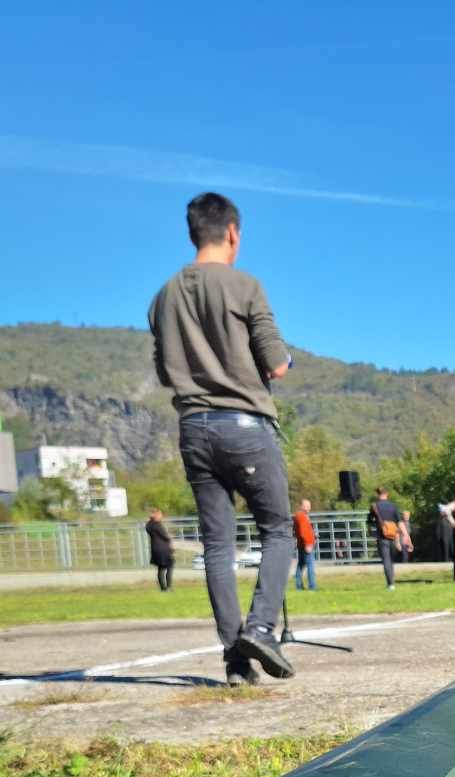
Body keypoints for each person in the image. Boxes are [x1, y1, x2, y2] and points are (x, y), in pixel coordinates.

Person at [149, 190, 295, 684]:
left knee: (218, 545)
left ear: (194, 232)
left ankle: (235, 661)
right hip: (245, 424)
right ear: (233, 232)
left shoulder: (164, 297)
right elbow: (275, 363)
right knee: (278, 530)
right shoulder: (244, 285)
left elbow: (167, 372)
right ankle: (261, 627)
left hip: (193, 427)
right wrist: (279, 363)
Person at [370, 487, 410, 589]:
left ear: (377, 494)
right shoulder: (393, 506)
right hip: (393, 536)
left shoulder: (374, 506)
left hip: (381, 536)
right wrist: (406, 535)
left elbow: (370, 521)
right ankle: (391, 581)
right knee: (391, 560)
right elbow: (400, 522)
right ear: (387, 494)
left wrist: (373, 532)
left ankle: (390, 584)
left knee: (386, 560)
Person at [290, 498, 318, 589]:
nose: (309, 508)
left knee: (300, 565)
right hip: (306, 545)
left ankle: (298, 585)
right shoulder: (301, 516)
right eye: (306, 506)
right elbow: (303, 532)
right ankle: (312, 586)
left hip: (302, 544)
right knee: (310, 565)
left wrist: (314, 535)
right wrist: (308, 544)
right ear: (301, 506)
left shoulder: (298, 516)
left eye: (309, 506)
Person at [145, 508, 176, 591]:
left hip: (155, 548)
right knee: (170, 565)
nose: (162, 516)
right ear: (156, 515)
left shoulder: (149, 525)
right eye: (160, 514)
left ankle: (163, 588)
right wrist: (170, 537)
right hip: (163, 549)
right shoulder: (157, 525)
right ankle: (168, 586)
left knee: (161, 568)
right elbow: (165, 536)